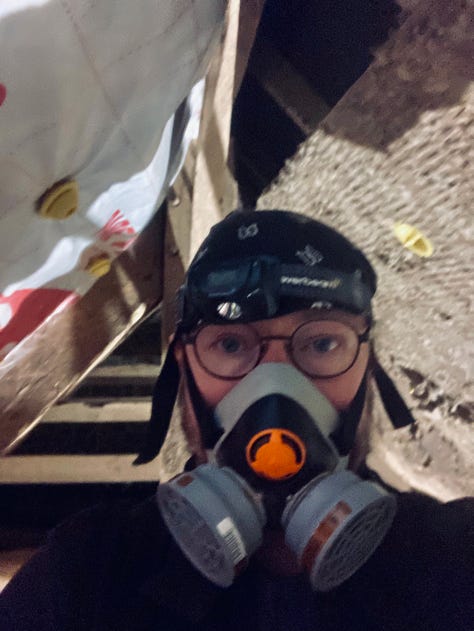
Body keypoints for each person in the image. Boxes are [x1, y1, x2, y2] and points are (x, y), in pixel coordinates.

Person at [1, 209, 472, 631]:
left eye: (323, 343)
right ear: (183, 369)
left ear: (370, 367)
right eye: (230, 344)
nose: (277, 389)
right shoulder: (85, 579)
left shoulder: (456, 561)